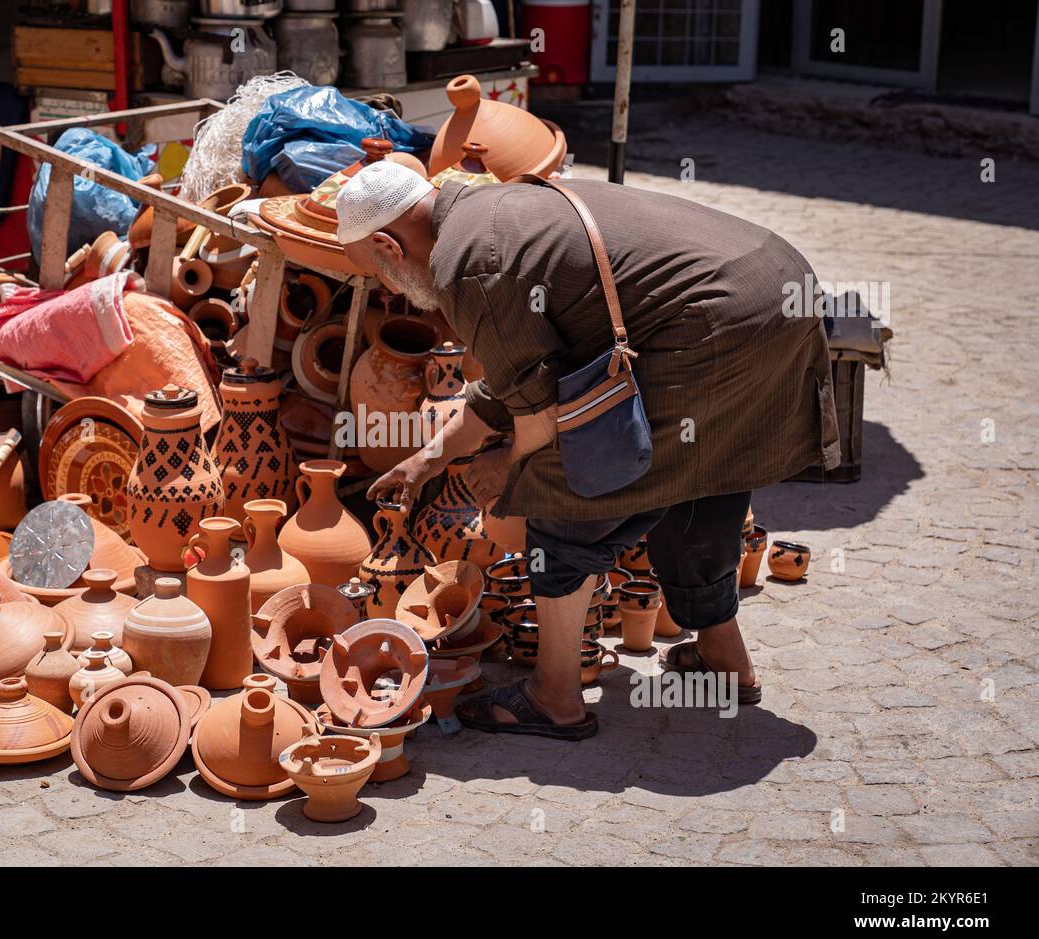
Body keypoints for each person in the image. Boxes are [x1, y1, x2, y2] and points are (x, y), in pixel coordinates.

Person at [336, 162, 840, 740]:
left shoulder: (466, 264)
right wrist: (429, 458)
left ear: (386, 244)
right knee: (703, 470)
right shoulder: (488, 212)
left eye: (376, 273)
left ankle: (554, 696)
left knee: (565, 494)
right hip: (774, 285)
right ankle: (725, 662)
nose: (387, 289)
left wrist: (510, 467)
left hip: (719, 317)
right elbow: (520, 375)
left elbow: (540, 416)